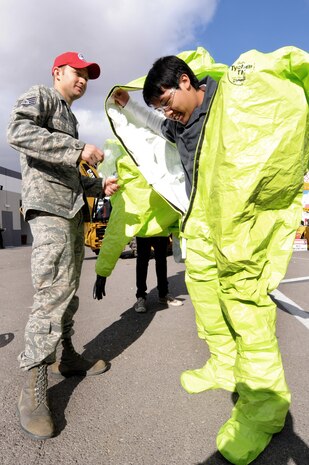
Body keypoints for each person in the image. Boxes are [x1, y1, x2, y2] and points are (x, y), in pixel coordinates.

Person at [106, 46, 309, 464]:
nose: (167, 112)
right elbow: (155, 125)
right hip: (200, 221)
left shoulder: (234, 92)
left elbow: (288, 75)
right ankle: (223, 361)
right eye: (159, 108)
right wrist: (129, 108)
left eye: (166, 102)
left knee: (245, 307)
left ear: (185, 81)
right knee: (203, 290)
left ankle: (264, 410)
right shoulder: (180, 127)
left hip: (239, 224)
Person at [7, 51, 119, 440]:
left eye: (89, 75)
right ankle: (33, 387)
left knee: (68, 290)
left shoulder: (69, 118)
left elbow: (70, 171)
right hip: (48, 208)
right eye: (78, 73)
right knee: (52, 290)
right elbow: (17, 132)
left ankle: (66, 356)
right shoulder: (40, 95)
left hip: (71, 208)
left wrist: (97, 185)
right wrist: (77, 150)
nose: (84, 80)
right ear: (58, 73)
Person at [134, 235, 183, 313]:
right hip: (144, 229)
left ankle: (163, 294)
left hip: (160, 230)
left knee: (161, 260)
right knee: (142, 261)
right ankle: (140, 296)